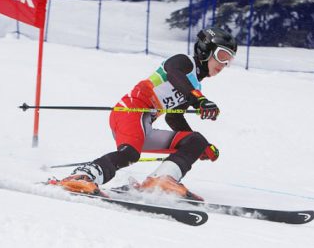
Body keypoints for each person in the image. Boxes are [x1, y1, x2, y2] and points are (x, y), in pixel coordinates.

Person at [48, 26, 237, 200]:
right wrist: (199, 99)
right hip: (130, 110)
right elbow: (174, 74)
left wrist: (200, 147)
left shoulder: (195, 84)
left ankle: (161, 180)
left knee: (196, 140)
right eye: (221, 55)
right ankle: (81, 177)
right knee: (130, 154)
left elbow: (174, 116)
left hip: (145, 122)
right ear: (205, 50)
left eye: (229, 60)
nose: (224, 64)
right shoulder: (183, 62)